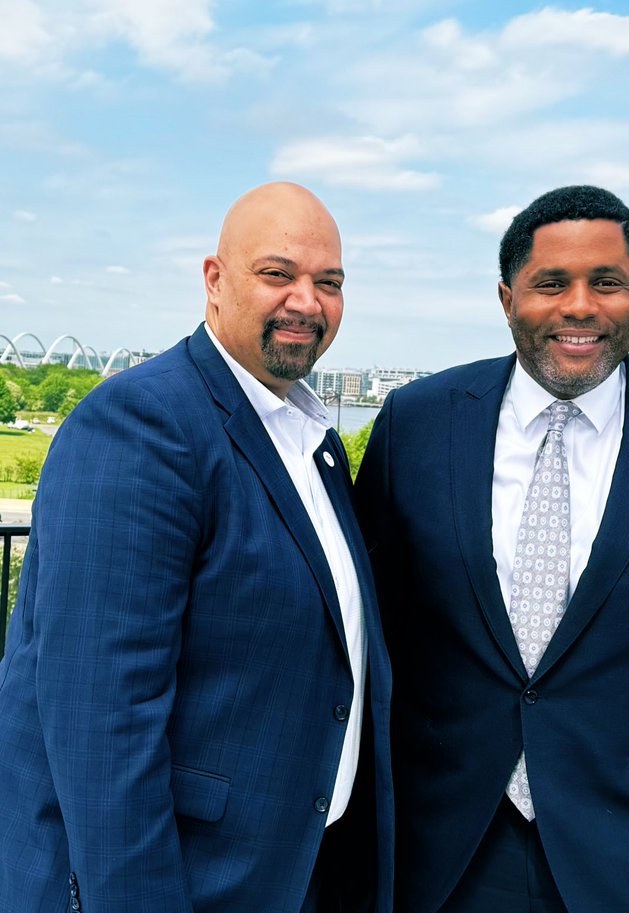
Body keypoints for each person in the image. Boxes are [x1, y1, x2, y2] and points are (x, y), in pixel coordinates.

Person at [355, 185, 629, 913]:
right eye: (551, 283)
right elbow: (372, 638)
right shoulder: (417, 423)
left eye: (607, 282)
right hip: (438, 852)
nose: (580, 306)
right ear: (507, 298)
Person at [0, 182, 394, 913]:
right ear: (214, 280)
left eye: (329, 282)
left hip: (288, 868)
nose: (307, 302)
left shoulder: (314, 443)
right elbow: (102, 724)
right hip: (186, 880)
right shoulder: (142, 425)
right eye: (278, 273)